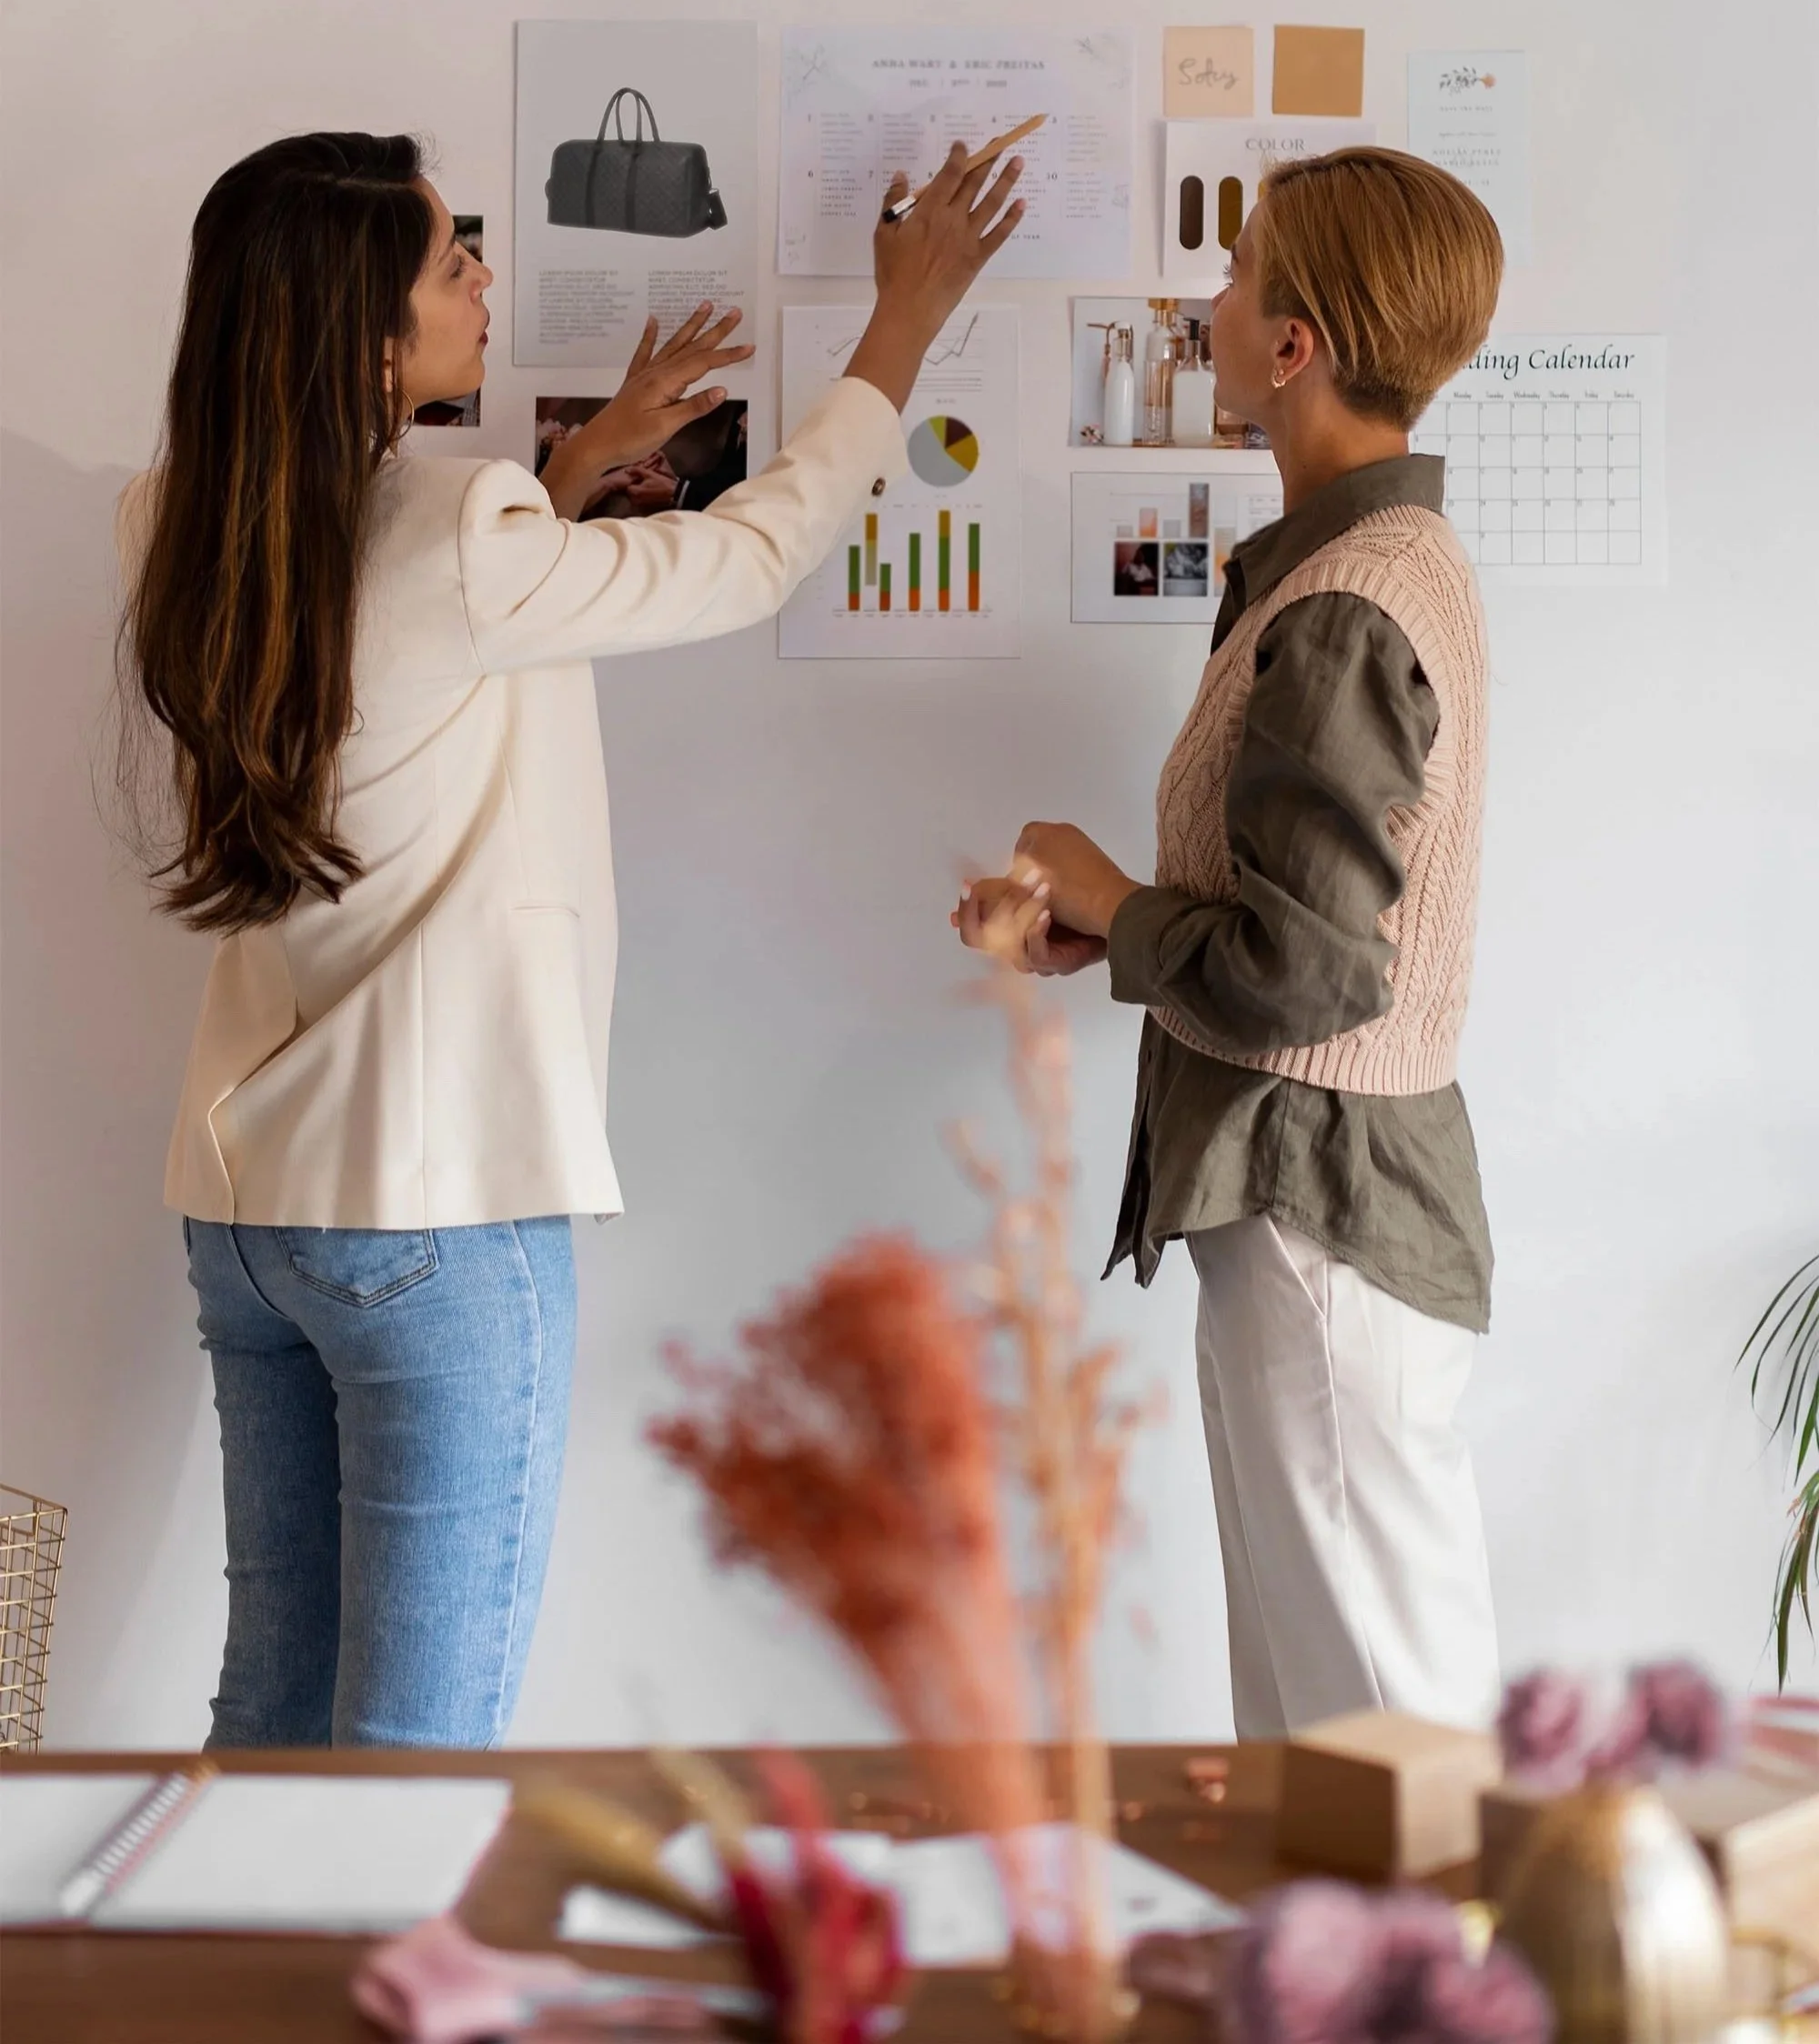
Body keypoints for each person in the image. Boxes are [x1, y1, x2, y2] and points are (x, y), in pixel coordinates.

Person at [120, 129, 1022, 1748]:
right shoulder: (460, 531)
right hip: (432, 1215)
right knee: (416, 1753)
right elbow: (747, 559)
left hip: (247, 1211)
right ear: (369, 335)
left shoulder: (178, 520)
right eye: (451, 262)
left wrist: (580, 458)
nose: (486, 278)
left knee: (268, 1717)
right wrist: (903, 326)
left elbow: (398, 618)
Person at [954, 149, 1503, 1737]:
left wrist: (1113, 896)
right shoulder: (1357, 570)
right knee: (1327, 1730)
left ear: (1294, 347)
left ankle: (1455, 1992)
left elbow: (1309, 972)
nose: (1206, 301)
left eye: (1238, 272)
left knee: (1386, 1734)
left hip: (1321, 1213)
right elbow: (1302, 924)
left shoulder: (1345, 600)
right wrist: (1109, 931)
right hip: (1311, 1203)